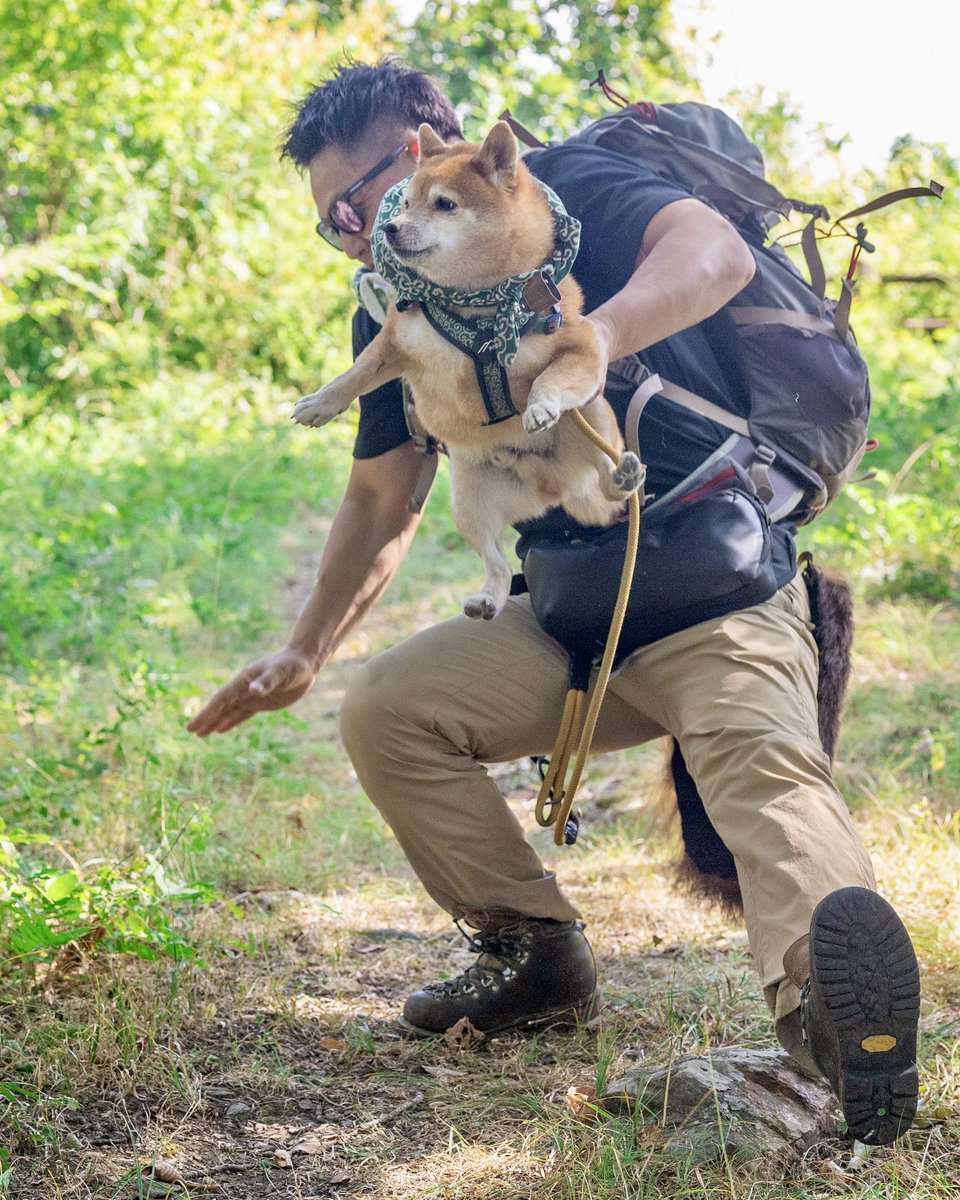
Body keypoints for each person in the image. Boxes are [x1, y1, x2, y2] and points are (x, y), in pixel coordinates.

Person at [188, 59, 920, 1145]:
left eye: (351, 205)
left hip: (719, 587)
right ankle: (535, 955)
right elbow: (385, 491)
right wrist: (305, 649)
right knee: (388, 709)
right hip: (571, 615)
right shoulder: (401, 308)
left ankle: (841, 1028)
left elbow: (711, 254)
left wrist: (597, 343)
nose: (351, 236)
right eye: (330, 227)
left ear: (421, 155)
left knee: (766, 779)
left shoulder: (581, 188)